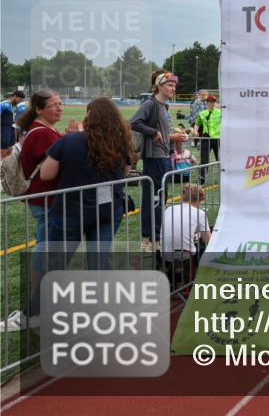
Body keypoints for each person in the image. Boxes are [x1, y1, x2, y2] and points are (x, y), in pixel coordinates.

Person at [0, 90, 80, 332]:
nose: (60, 108)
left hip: (45, 198)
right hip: (45, 199)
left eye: (60, 103)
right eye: (54, 105)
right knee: (47, 247)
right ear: (39, 109)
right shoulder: (42, 132)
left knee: (48, 246)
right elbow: (57, 164)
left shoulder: (43, 130)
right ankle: (38, 303)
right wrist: (73, 140)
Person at [41, 97, 135, 272]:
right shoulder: (121, 142)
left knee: (55, 265)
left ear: (90, 115)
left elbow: (46, 174)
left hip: (71, 209)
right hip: (107, 208)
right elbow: (125, 172)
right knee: (99, 262)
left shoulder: (69, 140)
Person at [131, 70, 187, 252]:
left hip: (164, 156)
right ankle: (151, 240)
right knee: (155, 199)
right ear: (159, 86)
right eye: (170, 85)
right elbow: (134, 122)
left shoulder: (163, 106)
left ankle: (152, 238)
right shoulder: (150, 104)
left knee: (158, 199)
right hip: (155, 159)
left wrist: (173, 137)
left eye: (174, 85)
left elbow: (162, 133)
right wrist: (153, 132)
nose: (173, 88)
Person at [160, 183, 212, 290]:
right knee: (204, 247)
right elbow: (208, 239)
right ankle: (198, 280)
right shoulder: (199, 213)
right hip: (184, 253)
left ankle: (173, 280)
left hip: (164, 252)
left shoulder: (169, 209)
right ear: (198, 199)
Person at [194, 95, 221, 182]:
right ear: (207, 103)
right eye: (210, 102)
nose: (212, 103)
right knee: (204, 160)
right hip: (206, 139)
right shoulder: (202, 113)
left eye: (213, 102)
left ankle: (224, 178)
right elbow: (197, 124)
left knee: (221, 159)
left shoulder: (220, 112)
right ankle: (201, 179)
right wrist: (195, 131)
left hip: (218, 139)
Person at [1, 90, 26, 157]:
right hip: (4, 129)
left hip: (11, 129)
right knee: (3, 151)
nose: (20, 101)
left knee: (10, 151)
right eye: (20, 99)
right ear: (15, 96)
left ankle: (5, 163)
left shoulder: (12, 106)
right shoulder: (4, 104)